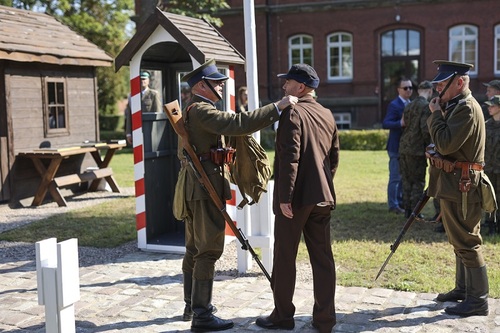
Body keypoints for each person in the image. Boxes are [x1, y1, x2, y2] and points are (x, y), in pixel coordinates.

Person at [177, 58, 297, 332]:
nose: (221, 85)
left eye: (220, 81)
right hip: (203, 186)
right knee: (208, 250)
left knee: (195, 248)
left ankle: (191, 304)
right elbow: (238, 123)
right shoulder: (200, 110)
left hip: (194, 186)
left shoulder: (193, 109)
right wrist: (277, 107)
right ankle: (202, 315)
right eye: (215, 82)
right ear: (200, 86)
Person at [256, 64, 339, 333]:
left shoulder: (292, 112)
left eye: (288, 82)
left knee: (284, 257)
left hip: (296, 200)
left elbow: (290, 158)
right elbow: (334, 158)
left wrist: (284, 197)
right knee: (323, 259)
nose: (283, 86)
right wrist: (323, 185)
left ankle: (282, 316)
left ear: (300, 87)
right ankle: (325, 320)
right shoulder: (326, 113)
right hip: (322, 197)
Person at [426, 60, 489, 317]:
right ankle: (464, 289)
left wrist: (433, 115)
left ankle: (478, 300)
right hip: (455, 183)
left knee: (467, 242)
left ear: (459, 82)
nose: (437, 89)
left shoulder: (465, 109)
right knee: (458, 240)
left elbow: (445, 143)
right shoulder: (455, 106)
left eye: (442, 83)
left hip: (463, 185)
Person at [399, 80, 433, 218]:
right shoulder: (426, 107)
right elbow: (425, 130)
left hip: (404, 147)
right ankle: (415, 212)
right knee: (418, 181)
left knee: (407, 180)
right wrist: (429, 147)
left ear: (418, 91)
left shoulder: (409, 105)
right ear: (430, 92)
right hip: (417, 150)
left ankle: (407, 210)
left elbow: (405, 124)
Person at [382, 77, 413, 214]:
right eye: (405, 88)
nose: (408, 90)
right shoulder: (394, 105)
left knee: (403, 177)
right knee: (395, 177)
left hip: (406, 147)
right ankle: (393, 204)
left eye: (411, 88)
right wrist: (399, 124)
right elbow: (386, 123)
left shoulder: (410, 104)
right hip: (395, 147)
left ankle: (400, 202)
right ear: (399, 90)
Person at [125, 71, 162, 145]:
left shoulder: (154, 94)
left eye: (144, 79)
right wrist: (128, 133)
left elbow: (158, 112)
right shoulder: (132, 95)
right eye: (141, 79)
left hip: (150, 130)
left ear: (148, 80)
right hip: (137, 130)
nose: (142, 81)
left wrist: (157, 132)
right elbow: (129, 115)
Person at [483, 95, 500, 234]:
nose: (489, 108)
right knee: (489, 197)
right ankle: (491, 225)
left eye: (492, 106)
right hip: (488, 167)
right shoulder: (486, 125)